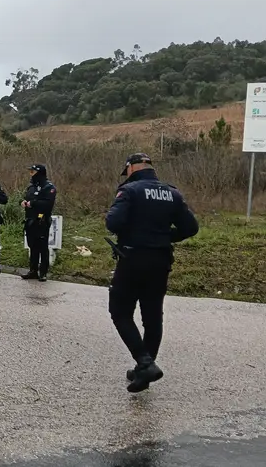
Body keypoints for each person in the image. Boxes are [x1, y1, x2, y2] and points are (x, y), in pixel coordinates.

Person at [105, 152, 199, 393]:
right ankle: (143, 372)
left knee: (120, 311)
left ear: (131, 168)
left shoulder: (130, 190)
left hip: (133, 259)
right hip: (161, 261)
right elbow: (191, 227)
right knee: (153, 316)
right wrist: (164, 236)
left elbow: (113, 223)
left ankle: (145, 363)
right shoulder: (172, 193)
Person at [21, 164, 57, 282]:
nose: (31, 174)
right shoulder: (31, 187)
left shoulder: (48, 187)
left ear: (39, 173)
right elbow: (26, 198)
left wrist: (33, 203)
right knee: (32, 246)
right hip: (30, 220)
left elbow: (48, 204)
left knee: (42, 247)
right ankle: (33, 271)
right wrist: (23, 202)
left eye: (33, 172)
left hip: (42, 221)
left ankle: (43, 272)